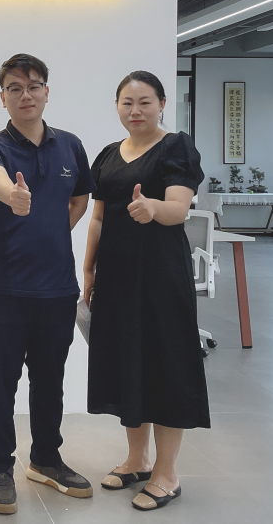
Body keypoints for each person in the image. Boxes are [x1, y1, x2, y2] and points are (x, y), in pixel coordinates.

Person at [0, 53, 95, 514]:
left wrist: (53, 230)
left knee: (50, 380)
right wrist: (12, 195)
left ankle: (46, 459)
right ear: (2, 97)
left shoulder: (70, 146)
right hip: (3, 288)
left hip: (58, 288)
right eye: (15, 88)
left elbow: (80, 198)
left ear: (46, 91)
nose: (25, 95)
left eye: (34, 86)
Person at [82, 70, 209, 512]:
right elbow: (98, 218)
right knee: (127, 363)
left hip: (161, 278)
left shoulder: (176, 147)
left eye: (145, 102)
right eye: (127, 103)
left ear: (162, 104)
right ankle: (137, 459)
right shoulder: (107, 155)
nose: (135, 111)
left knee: (165, 366)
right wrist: (89, 269)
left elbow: (178, 209)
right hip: (116, 277)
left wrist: (152, 207)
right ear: (117, 107)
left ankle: (167, 474)